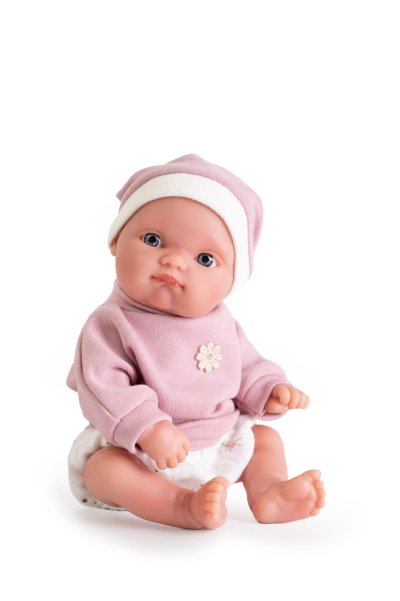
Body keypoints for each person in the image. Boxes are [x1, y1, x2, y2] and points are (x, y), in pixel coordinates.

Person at [67, 154, 325, 529]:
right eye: (153, 240)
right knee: (104, 470)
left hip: (220, 439)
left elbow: (246, 367)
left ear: (231, 281)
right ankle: (178, 504)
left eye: (205, 258)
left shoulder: (222, 322)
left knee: (266, 440)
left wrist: (269, 389)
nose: (174, 261)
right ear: (116, 241)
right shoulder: (111, 324)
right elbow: (102, 387)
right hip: (141, 450)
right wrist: (149, 428)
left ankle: (268, 491)